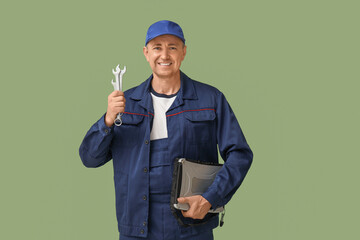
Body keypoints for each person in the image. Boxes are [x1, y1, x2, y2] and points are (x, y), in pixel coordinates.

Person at [79, 20, 253, 240]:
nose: (164, 55)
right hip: (136, 228)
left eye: (172, 47)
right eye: (157, 47)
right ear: (146, 53)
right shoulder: (125, 104)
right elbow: (89, 158)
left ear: (183, 52)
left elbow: (240, 154)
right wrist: (107, 120)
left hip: (192, 226)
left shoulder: (211, 99)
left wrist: (211, 198)